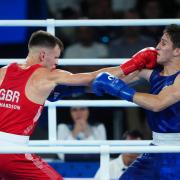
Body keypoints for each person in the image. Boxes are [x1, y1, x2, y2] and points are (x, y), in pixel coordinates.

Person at [0, 30, 156, 179]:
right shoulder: (48, 76)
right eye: (55, 57)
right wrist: (134, 64)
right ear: (42, 55)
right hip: (13, 151)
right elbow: (96, 77)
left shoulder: (4, 71)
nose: (57, 63)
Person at [92, 24, 180, 179]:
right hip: (156, 147)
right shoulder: (153, 74)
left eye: (164, 43)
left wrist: (120, 89)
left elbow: (158, 103)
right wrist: (71, 87)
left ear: (177, 51)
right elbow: (111, 77)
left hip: (177, 150)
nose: (157, 47)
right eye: (159, 42)